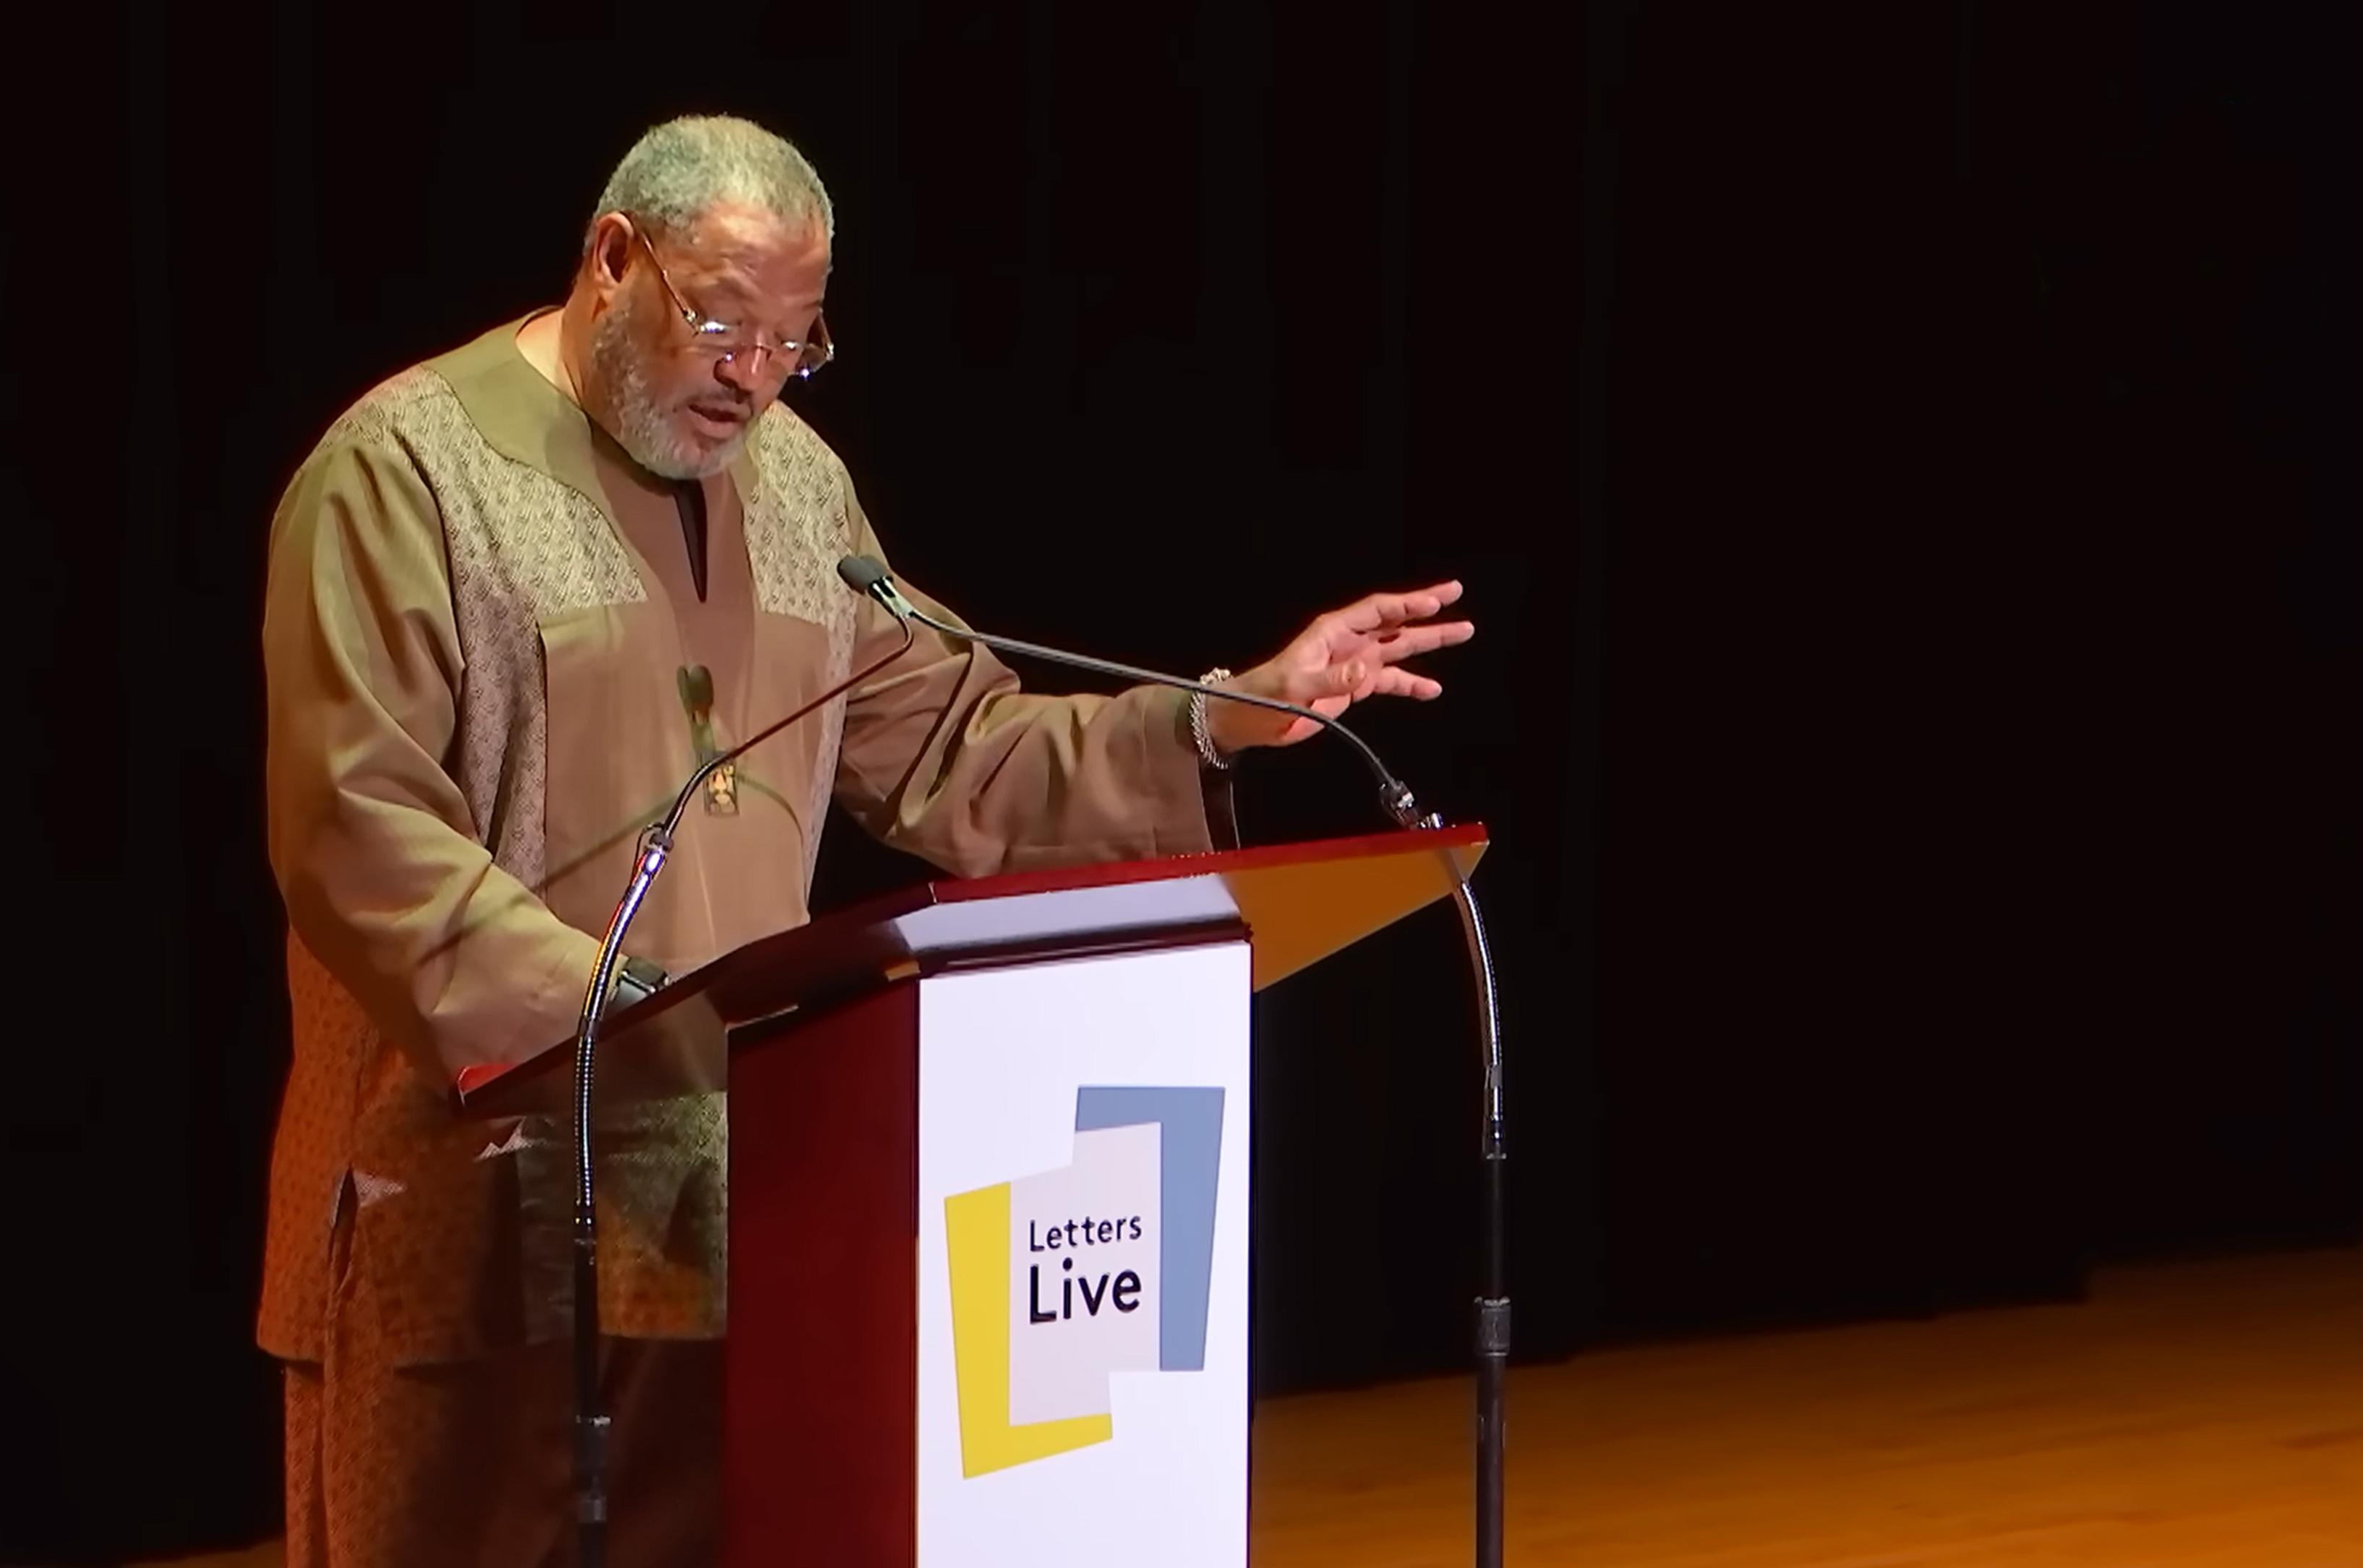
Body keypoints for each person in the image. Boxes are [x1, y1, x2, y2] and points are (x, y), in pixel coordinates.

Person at [255, 113, 1472, 1567]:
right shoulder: (406, 475)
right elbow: (359, 828)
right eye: (722, 325)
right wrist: (641, 1022)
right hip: (466, 1218)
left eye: (797, 341)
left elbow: (961, 745)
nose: (755, 378)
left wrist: (1229, 719)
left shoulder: (798, 490)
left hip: (725, 1204)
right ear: (610, 258)